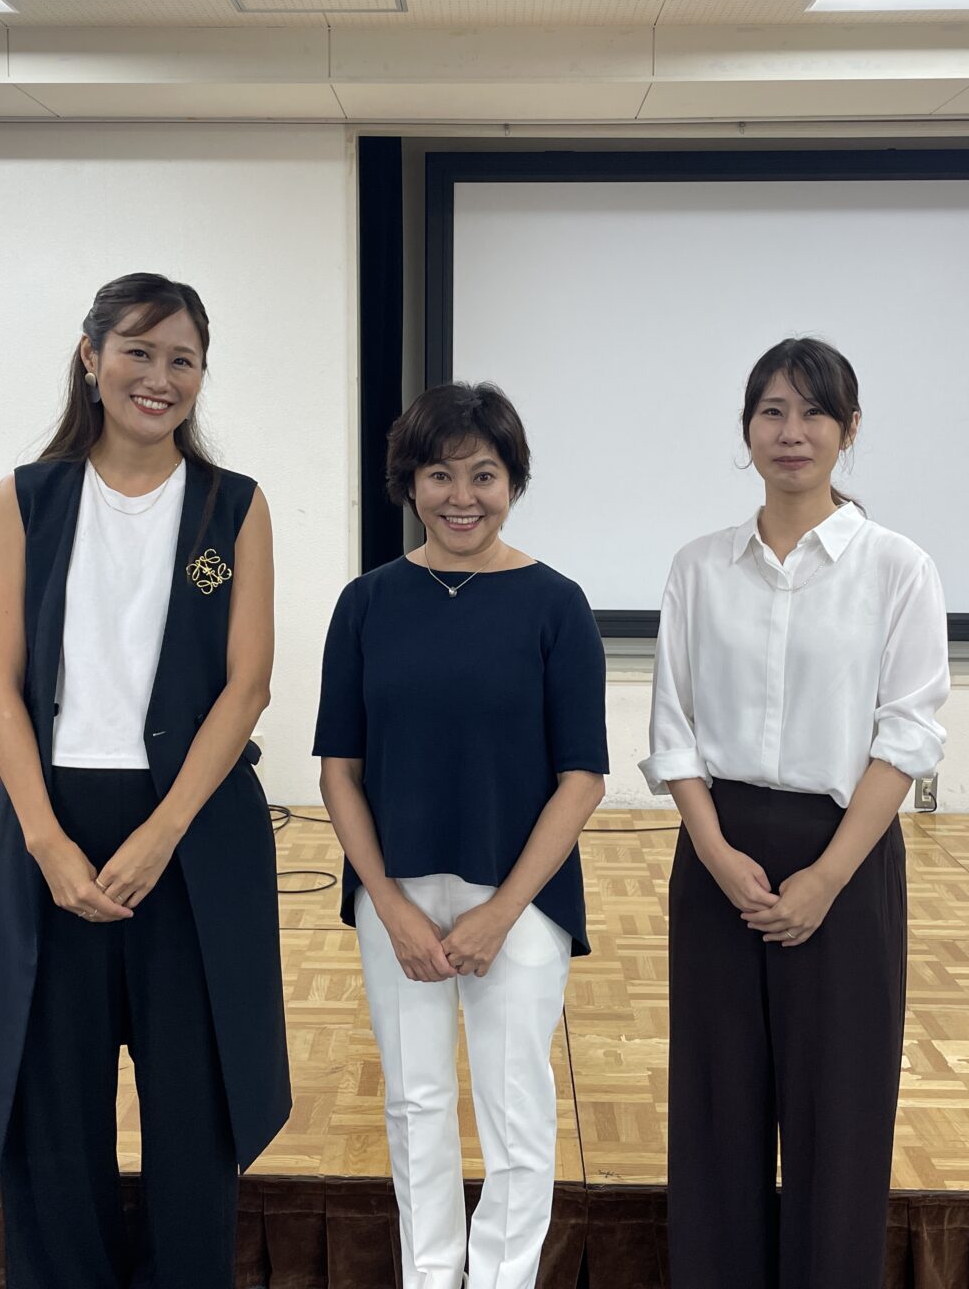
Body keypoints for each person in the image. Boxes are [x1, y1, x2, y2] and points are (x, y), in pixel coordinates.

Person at [0, 272, 290, 1289]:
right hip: (52, 821)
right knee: (50, 1105)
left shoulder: (234, 506)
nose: (160, 377)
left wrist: (162, 832)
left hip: (191, 831)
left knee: (194, 1102)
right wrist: (47, 842)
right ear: (91, 356)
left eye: (183, 359)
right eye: (139, 351)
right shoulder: (27, 498)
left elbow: (247, 686)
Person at [643, 337, 950, 1289]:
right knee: (716, 1108)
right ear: (746, 429)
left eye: (815, 412)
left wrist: (826, 877)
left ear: (849, 430)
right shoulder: (699, 568)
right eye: (772, 411)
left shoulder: (897, 568)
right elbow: (675, 729)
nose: (792, 432)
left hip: (844, 855)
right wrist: (713, 850)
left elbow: (907, 734)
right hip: (718, 851)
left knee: (841, 1115)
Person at [314, 381, 608, 1289]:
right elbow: (338, 771)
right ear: (410, 482)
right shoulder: (366, 603)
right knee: (415, 1104)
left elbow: (582, 779)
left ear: (512, 481)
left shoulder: (557, 605)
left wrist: (501, 913)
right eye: (440, 474)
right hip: (394, 895)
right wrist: (388, 905)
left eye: (484, 474)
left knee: (515, 1108)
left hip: (518, 897)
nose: (461, 496)